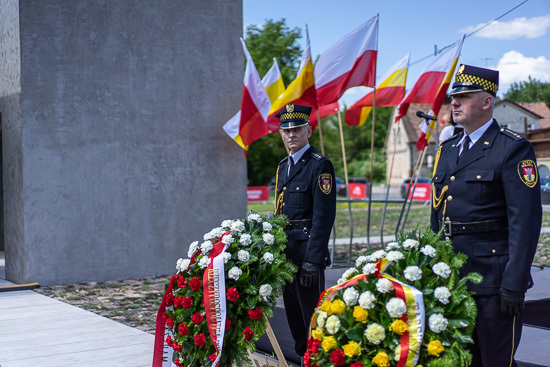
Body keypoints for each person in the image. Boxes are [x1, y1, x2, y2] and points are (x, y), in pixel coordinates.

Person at [430, 64, 542, 367]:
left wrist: (514, 282)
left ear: (487, 101)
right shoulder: (449, 148)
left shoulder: (511, 148)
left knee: (495, 361)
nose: (454, 102)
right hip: (453, 279)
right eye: (454, 97)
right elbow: (438, 215)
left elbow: (526, 221)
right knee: (458, 361)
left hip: (494, 281)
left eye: (464, 96)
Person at [273, 103, 336, 363]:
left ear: (308, 131)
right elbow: (279, 213)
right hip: (286, 259)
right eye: (286, 130)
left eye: (297, 129)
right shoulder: (282, 167)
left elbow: (324, 217)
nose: (291, 135)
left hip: (307, 258)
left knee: (314, 324)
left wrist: (313, 260)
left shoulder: (319, 166)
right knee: (296, 325)